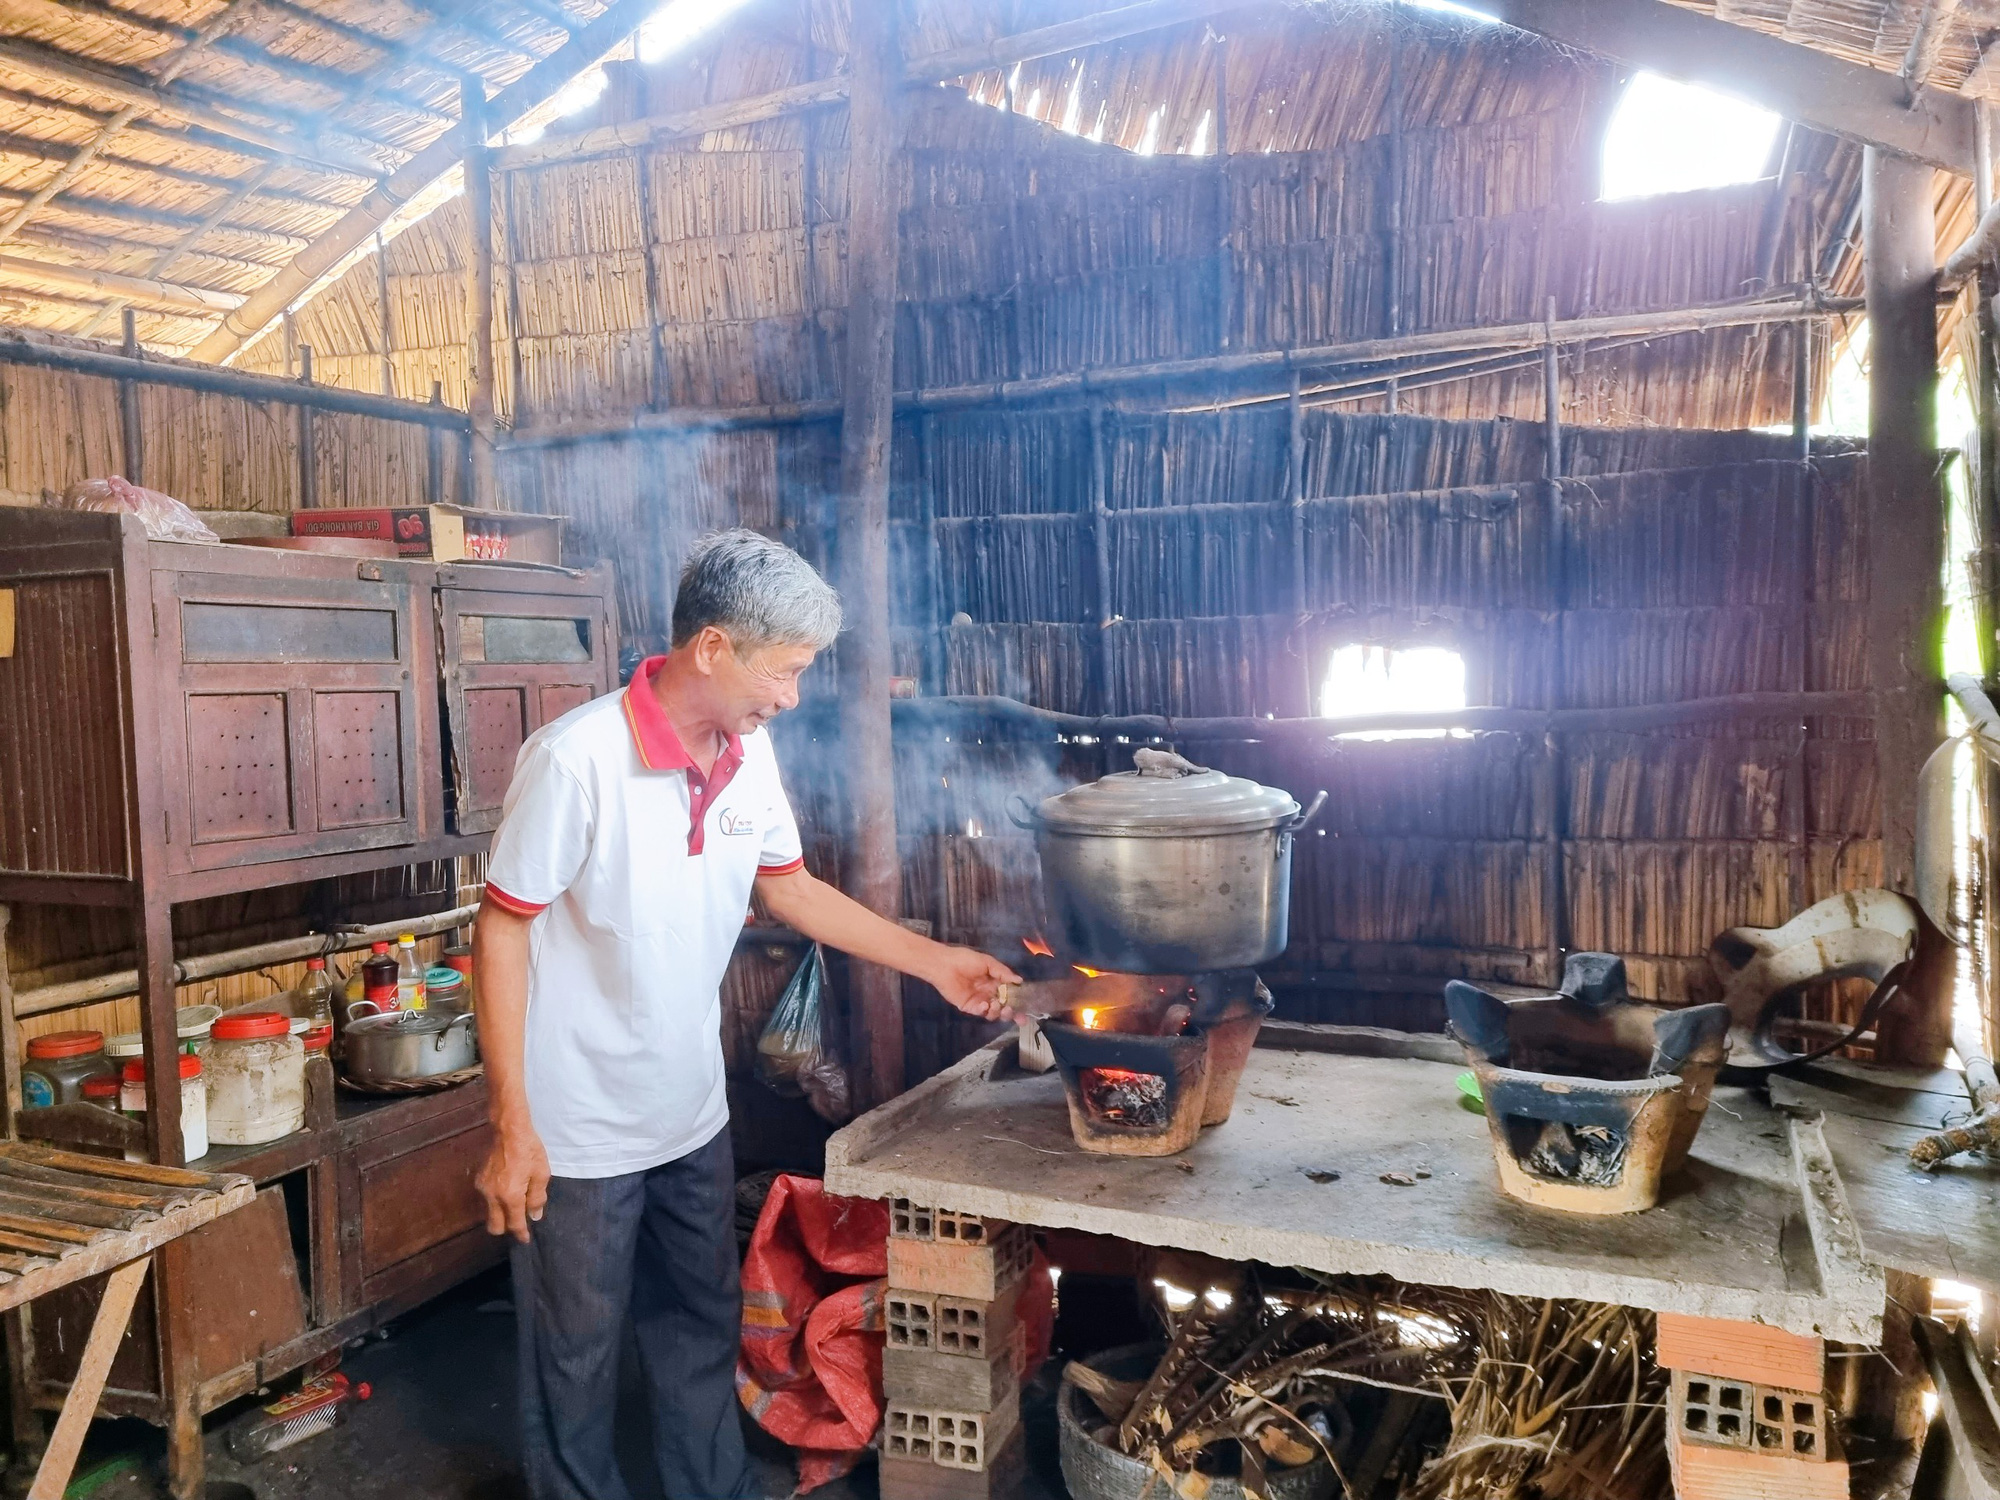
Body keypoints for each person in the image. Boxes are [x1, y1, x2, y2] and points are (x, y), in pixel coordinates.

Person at [473, 529, 1022, 1500]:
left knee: (698, 1324)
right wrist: (512, 1125)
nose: (792, 696)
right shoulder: (574, 760)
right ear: (714, 649)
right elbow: (503, 931)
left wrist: (934, 962)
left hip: (689, 1112)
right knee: (574, 1355)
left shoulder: (747, 755)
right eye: (786, 670)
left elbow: (792, 891)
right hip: (577, 1126)